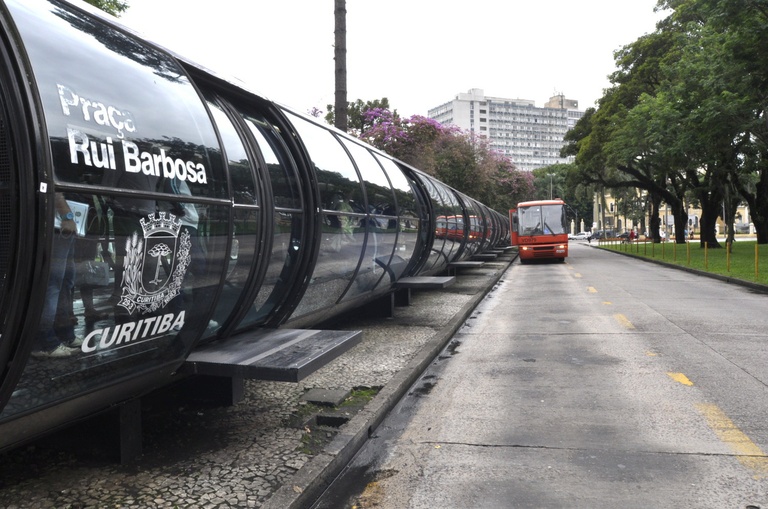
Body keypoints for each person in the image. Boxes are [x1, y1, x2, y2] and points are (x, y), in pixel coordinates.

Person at [33, 193, 78, 358]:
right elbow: (55, 189)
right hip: (59, 223)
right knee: (54, 283)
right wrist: (67, 215)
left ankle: (64, 333)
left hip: (66, 225)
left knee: (66, 282)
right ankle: (46, 342)